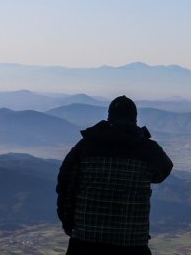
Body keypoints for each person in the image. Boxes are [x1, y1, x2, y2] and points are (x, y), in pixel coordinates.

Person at [56, 95, 173, 255]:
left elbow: (65, 185)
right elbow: (163, 171)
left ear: (109, 116)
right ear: (135, 119)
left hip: (86, 239)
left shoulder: (85, 146)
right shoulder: (148, 149)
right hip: (132, 241)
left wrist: (68, 222)